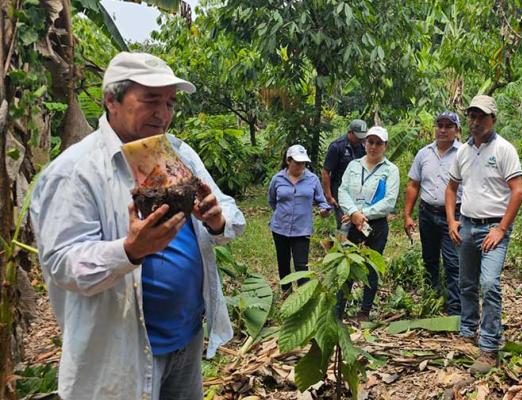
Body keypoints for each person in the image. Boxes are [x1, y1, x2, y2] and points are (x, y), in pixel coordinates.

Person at [29, 52, 245, 400]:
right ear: (111, 100)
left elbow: (230, 213)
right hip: (122, 348)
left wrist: (216, 220)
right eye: (151, 101)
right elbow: (61, 264)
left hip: (186, 338)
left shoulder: (177, 153)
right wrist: (129, 250)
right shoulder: (76, 171)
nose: (163, 114)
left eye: (170, 103)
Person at [446, 95, 522, 373]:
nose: (475, 122)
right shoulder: (463, 152)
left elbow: (518, 191)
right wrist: (451, 220)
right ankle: (468, 331)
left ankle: (490, 346)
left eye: (481, 116)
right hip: (467, 223)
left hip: (493, 226)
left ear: (493, 119)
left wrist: (501, 228)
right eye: (471, 116)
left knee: (489, 283)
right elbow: (451, 187)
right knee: (466, 281)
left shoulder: (504, 150)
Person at [337, 126, 400, 321]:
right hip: (352, 224)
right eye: (370, 142)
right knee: (346, 264)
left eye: (378, 143)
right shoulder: (354, 166)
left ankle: (364, 311)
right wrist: (353, 212)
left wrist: (361, 214)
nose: (373, 147)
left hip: (376, 225)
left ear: (385, 146)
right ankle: (339, 309)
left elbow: (389, 201)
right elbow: (343, 190)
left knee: (372, 266)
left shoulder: (391, 170)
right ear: (365, 143)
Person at [403, 111, 463, 315]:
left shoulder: (463, 153)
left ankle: (455, 308)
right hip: (427, 212)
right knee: (429, 259)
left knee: (453, 262)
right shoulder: (424, 154)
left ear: (457, 130)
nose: (443, 130)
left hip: (453, 215)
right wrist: (407, 214)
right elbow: (413, 185)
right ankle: (432, 299)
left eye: (448, 126)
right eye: (440, 125)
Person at [268, 144, 332, 295]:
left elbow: (322, 201)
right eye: (297, 162)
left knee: (301, 265)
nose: (301, 166)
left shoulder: (312, 179)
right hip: (280, 228)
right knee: (283, 263)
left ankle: (303, 297)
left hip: (302, 230)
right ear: (288, 160)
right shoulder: (277, 179)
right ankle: (286, 293)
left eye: (303, 163)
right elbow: (272, 201)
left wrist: (324, 210)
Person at [322, 119, 368, 227]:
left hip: (359, 190)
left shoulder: (364, 146)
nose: (360, 140)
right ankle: (342, 243)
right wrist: (328, 196)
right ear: (350, 133)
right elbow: (325, 172)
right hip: (340, 189)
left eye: (362, 137)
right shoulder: (337, 147)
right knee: (344, 221)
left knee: (360, 216)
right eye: (358, 137)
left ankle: (361, 243)